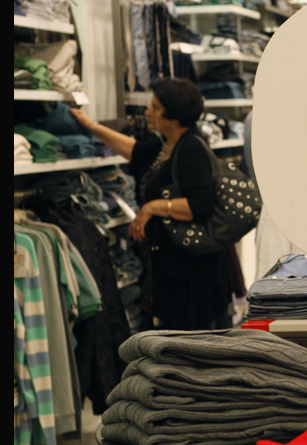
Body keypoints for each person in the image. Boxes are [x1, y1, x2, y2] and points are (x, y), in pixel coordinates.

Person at [71, 78, 231, 330]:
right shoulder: (167, 142)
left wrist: (151, 207)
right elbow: (135, 152)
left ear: (174, 118)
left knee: (186, 339)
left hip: (189, 272)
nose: (147, 111)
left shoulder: (190, 147)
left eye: (155, 107)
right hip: (171, 265)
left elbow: (201, 205)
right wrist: (91, 126)